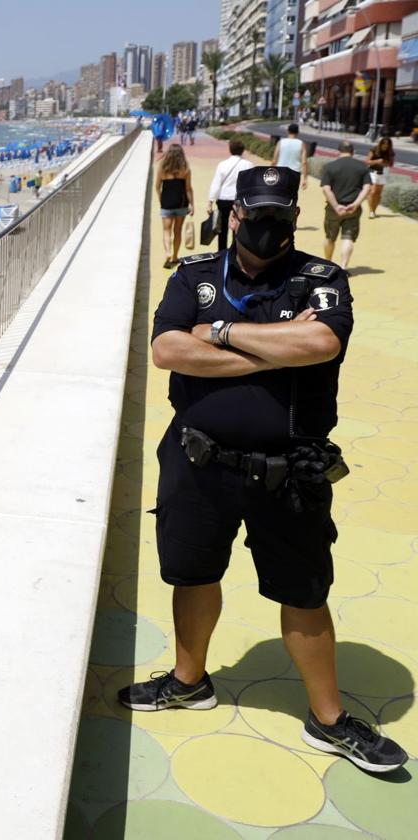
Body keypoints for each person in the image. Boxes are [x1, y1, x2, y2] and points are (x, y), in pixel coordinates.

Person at [124, 164, 408, 775]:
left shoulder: (320, 277)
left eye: (281, 216)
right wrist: (270, 352)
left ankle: (329, 718)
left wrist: (222, 334)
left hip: (290, 467)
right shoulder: (196, 275)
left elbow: (321, 345)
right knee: (192, 575)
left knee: (303, 593)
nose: (268, 226)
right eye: (257, 216)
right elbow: (168, 350)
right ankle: (188, 680)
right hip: (198, 459)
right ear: (235, 215)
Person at [319, 141, 371, 270]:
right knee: (348, 238)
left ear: (338, 151)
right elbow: (367, 187)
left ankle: (328, 263)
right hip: (353, 209)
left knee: (330, 237)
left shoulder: (330, 167)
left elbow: (326, 189)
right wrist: (355, 204)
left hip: (333, 209)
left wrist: (336, 206)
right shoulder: (362, 166)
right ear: (353, 152)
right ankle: (343, 267)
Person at [208, 139, 254, 251]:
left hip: (224, 198)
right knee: (238, 226)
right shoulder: (249, 165)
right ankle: (235, 250)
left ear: (230, 150)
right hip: (239, 199)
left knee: (222, 228)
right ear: (243, 150)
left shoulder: (222, 165)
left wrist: (210, 201)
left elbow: (216, 184)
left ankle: (222, 251)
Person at [156, 143, 194, 268]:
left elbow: (157, 187)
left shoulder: (162, 168)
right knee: (177, 231)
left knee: (166, 231)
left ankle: (167, 252)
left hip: (166, 203)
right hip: (181, 203)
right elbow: (188, 188)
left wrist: (161, 199)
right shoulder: (185, 168)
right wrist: (192, 205)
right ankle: (175, 256)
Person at [365, 137, 394, 219]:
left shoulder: (390, 153)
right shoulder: (374, 150)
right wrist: (377, 161)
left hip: (384, 172)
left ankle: (374, 210)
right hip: (373, 172)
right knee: (373, 191)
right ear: (380, 143)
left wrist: (385, 164)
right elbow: (367, 161)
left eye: (387, 144)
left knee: (378, 192)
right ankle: (371, 211)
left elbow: (391, 164)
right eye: (384, 144)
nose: (385, 146)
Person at [272, 124, 309, 190]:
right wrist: (305, 179)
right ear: (298, 132)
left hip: (281, 172)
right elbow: (304, 162)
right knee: (291, 195)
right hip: (294, 173)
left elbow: (274, 161)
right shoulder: (301, 144)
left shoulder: (281, 142)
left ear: (288, 131)